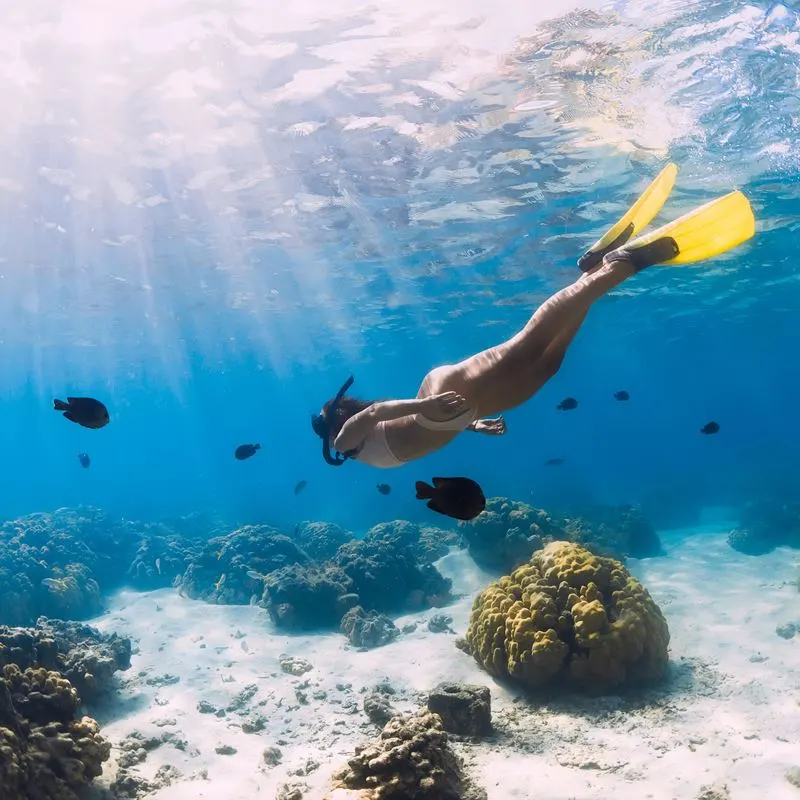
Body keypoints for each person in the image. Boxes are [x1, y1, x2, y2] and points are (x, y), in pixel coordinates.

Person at [311, 163, 755, 468]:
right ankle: (595, 270)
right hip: (455, 413)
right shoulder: (356, 446)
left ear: (333, 426)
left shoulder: (345, 441)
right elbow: (402, 431)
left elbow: (377, 415)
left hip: (437, 401)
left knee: (529, 343)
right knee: (548, 362)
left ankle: (626, 263)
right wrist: (473, 427)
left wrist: (428, 406)